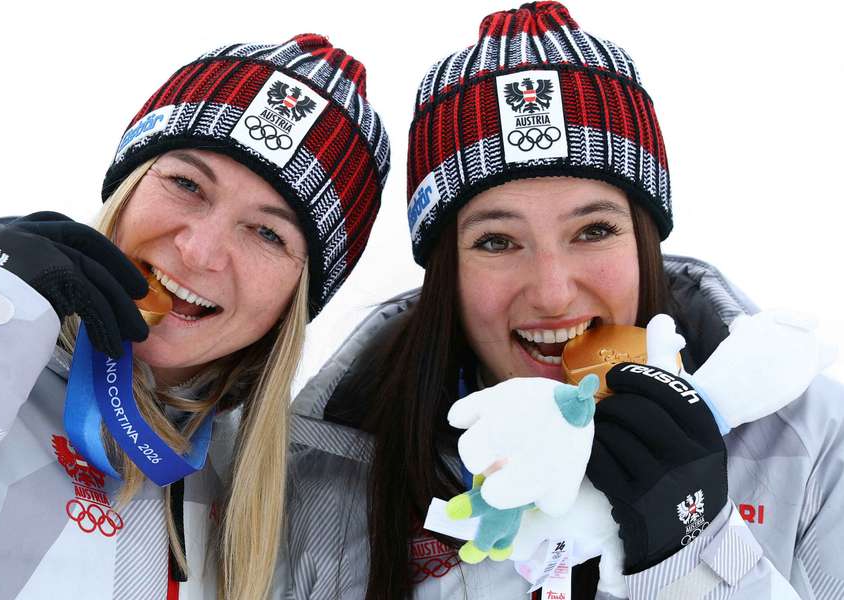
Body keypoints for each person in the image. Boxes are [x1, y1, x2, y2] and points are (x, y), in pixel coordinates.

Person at [282, 3, 844, 599]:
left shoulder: (808, 442)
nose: (553, 292)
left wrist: (695, 553)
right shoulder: (331, 472)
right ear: (447, 273)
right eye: (497, 241)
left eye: (593, 230)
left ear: (644, 241)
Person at [0, 33, 390, 600]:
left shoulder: (289, 501)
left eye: (267, 232)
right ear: (128, 188)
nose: (199, 251)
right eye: (186, 184)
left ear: (296, 299)